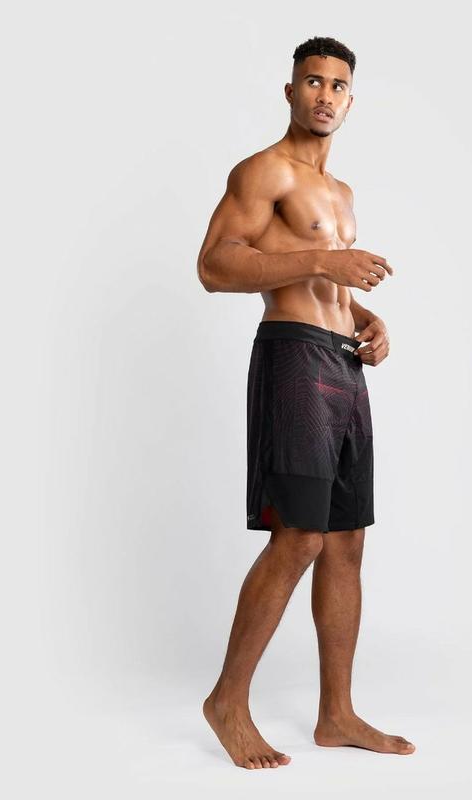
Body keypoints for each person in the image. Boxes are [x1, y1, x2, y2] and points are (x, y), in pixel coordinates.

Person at [197, 36, 415, 770]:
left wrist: (367, 320)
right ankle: (227, 701)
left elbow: (330, 288)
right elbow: (214, 265)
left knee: (346, 540)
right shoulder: (263, 171)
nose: (325, 95)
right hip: (292, 356)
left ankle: (336, 714)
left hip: (342, 362)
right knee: (299, 536)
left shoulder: (340, 193)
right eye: (312, 82)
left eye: (337, 85)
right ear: (290, 91)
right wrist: (325, 259)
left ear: (350, 100)